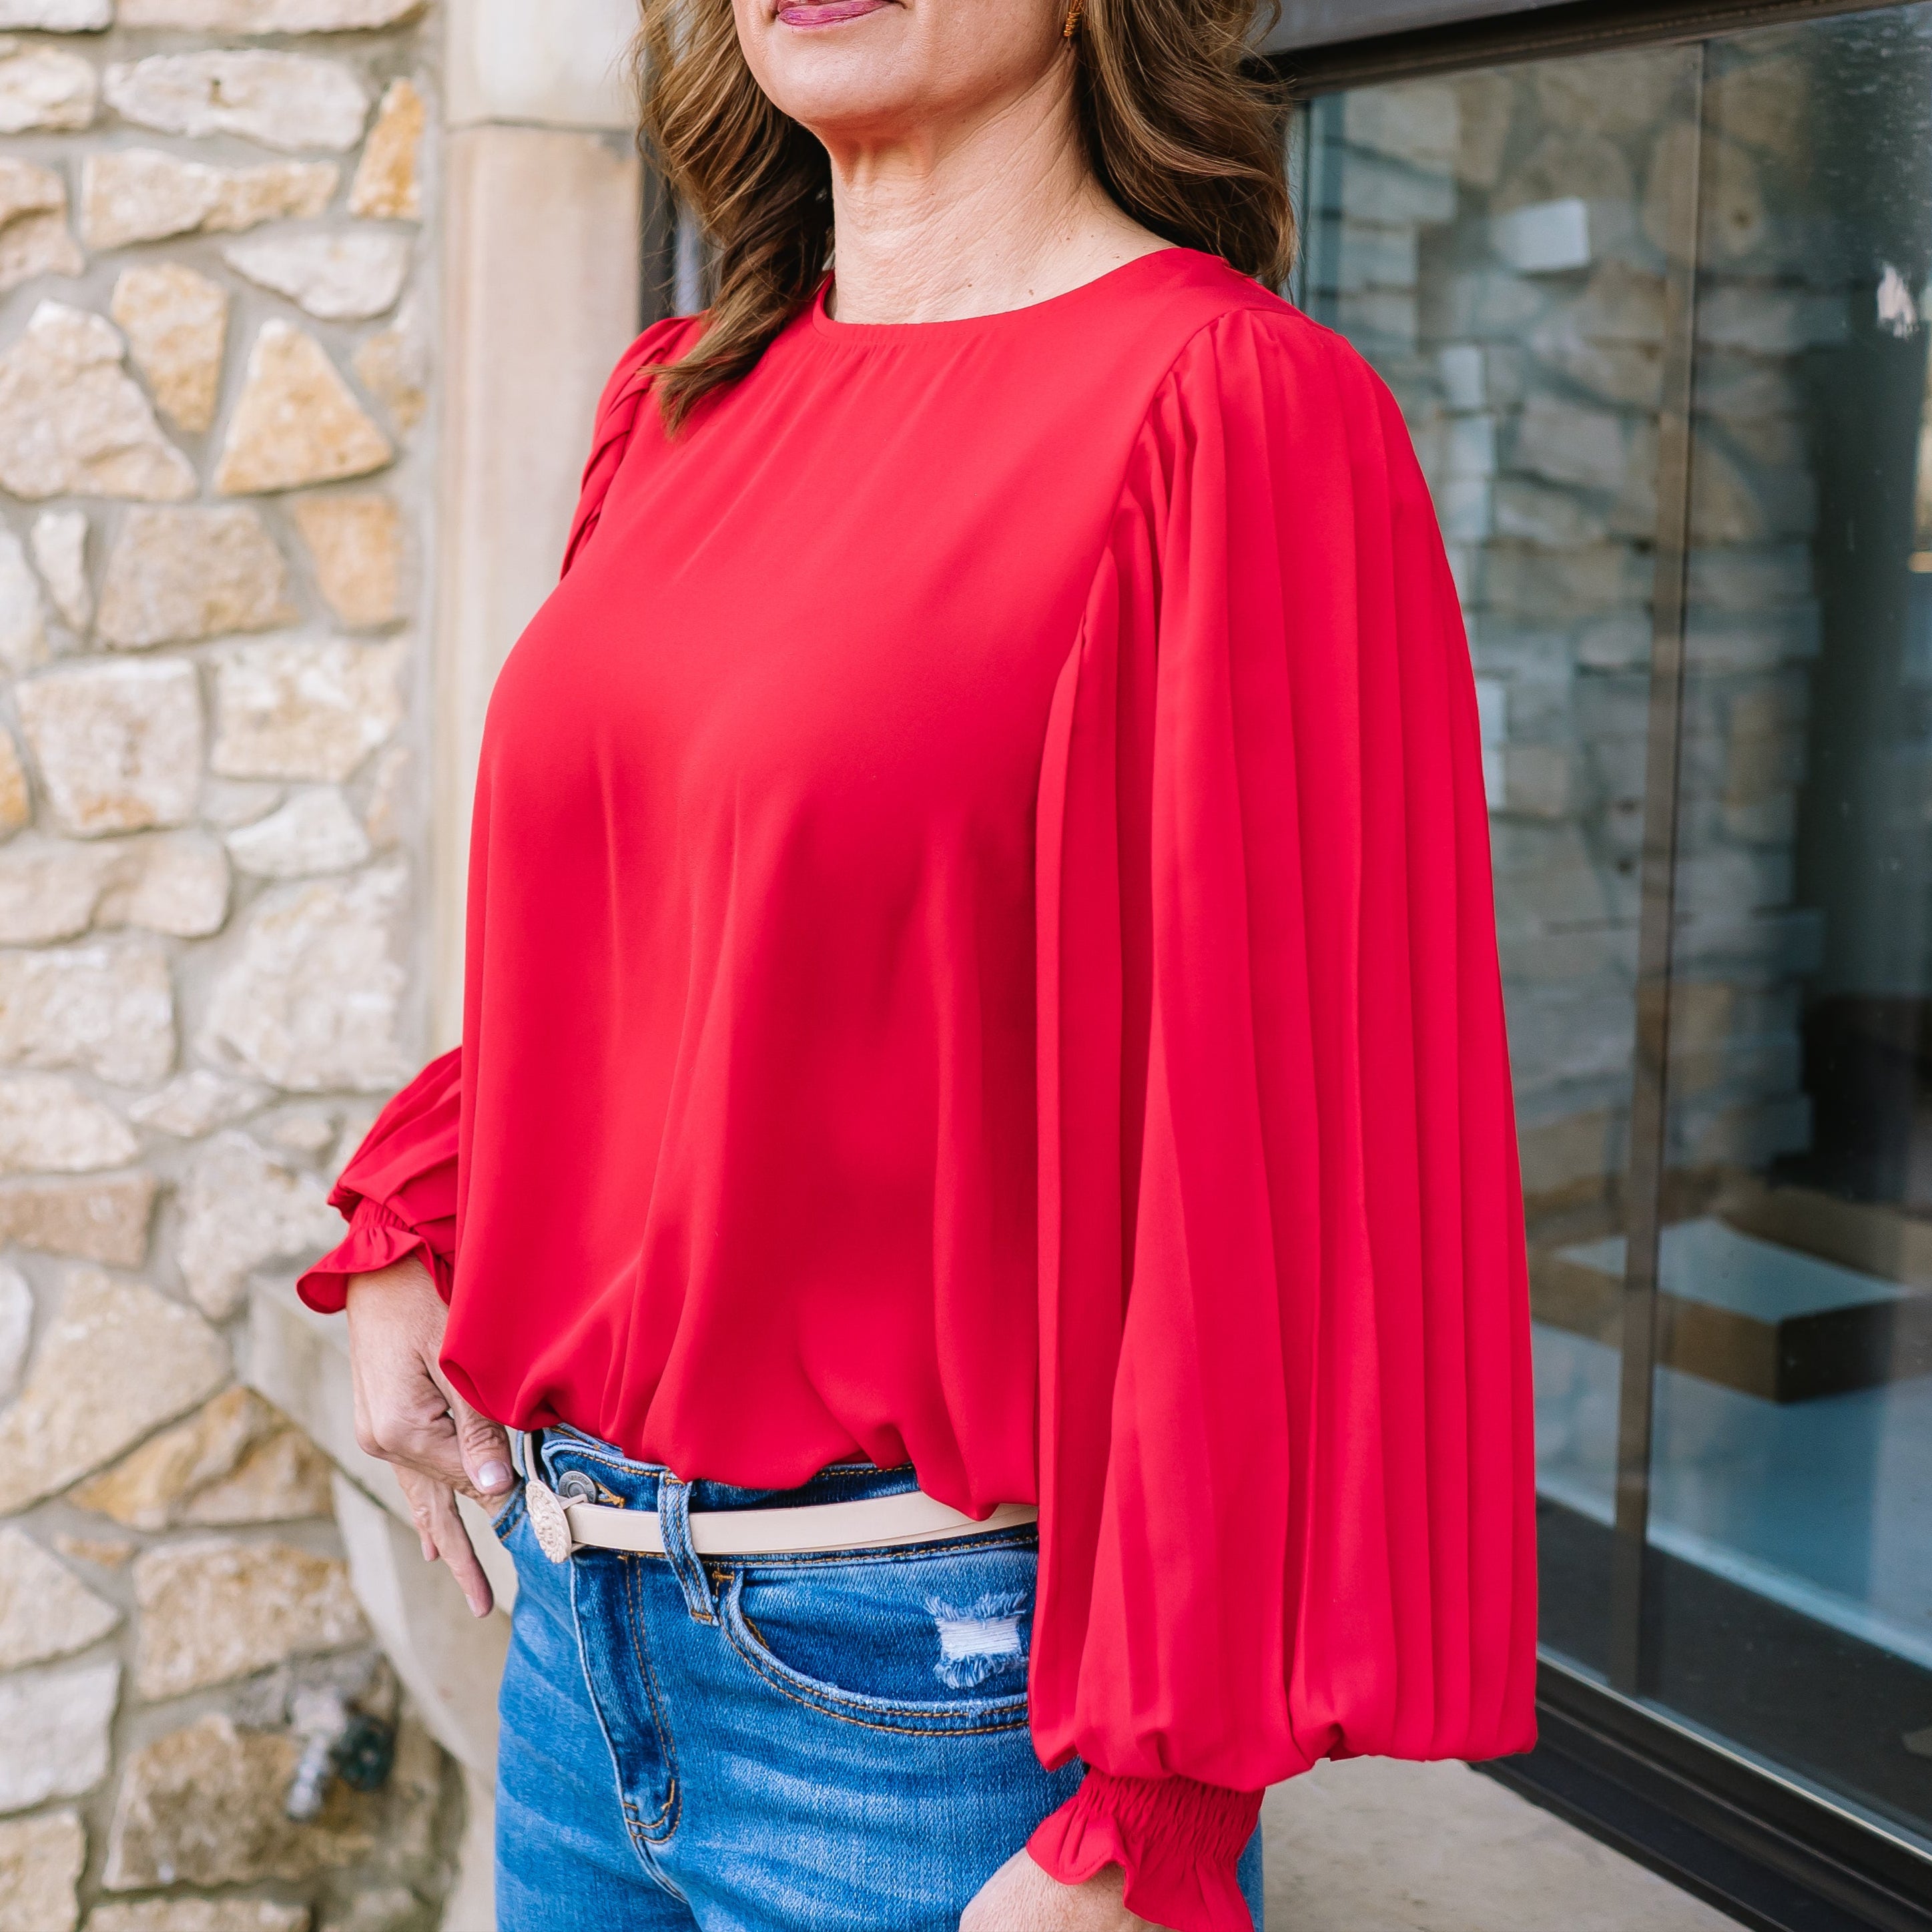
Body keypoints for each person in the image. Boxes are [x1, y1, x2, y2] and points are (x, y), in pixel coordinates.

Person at [298, 1, 1538, 1927]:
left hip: (939, 1725)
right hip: (576, 1639)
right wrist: (422, 1207)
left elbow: (1294, 1155)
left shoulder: (1230, 411)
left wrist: (1155, 1819)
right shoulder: (682, 401)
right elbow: (672, 940)